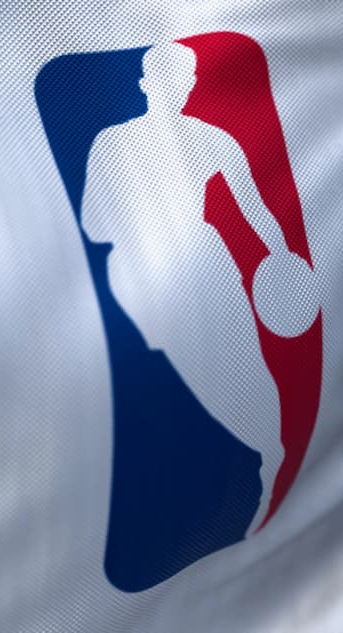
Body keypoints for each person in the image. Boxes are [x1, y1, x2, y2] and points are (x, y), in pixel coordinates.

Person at [80, 42, 287, 534]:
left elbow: (256, 209)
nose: (184, 88)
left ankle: (268, 464)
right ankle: (264, 460)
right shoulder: (115, 143)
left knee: (235, 380)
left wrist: (281, 259)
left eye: (187, 80)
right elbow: (93, 224)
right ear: (147, 83)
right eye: (179, 79)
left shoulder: (205, 140)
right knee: (207, 384)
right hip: (158, 282)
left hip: (194, 276)